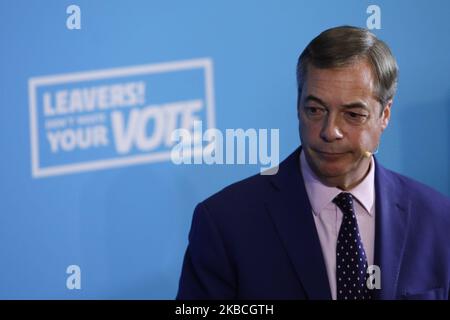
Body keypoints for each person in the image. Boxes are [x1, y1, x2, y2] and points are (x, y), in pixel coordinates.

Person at [176, 26, 450, 300]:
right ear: (298, 107)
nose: (330, 131)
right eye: (315, 110)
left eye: (353, 114)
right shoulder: (226, 223)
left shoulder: (438, 219)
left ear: (385, 115)